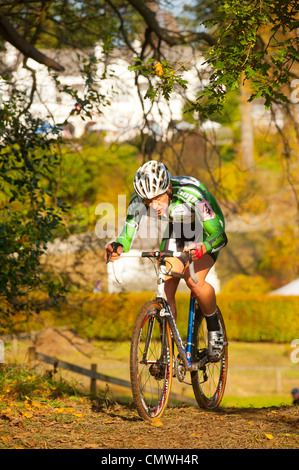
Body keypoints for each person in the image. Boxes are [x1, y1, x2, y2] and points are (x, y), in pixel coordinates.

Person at [106, 160, 228, 361]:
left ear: (169, 188)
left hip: (206, 231)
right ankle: (168, 350)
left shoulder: (192, 197)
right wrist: (118, 246)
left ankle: (215, 331)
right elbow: (127, 235)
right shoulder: (138, 201)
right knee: (166, 285)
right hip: (177, 230)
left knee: (194, 281)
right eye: (148, 201)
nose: (153, 206)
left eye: (158, 198)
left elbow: (220, 235)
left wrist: (203, 247)